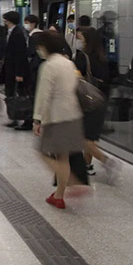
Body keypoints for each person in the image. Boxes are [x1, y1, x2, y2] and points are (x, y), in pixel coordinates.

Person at [32, 31, 86, 209]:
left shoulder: (49, 66)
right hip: (73, 114)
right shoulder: (68, 62)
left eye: (40, 46)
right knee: (63, 157)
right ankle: (59, 195)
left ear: (45, 47)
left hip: (56, 117)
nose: (39, 50)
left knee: (42, 152)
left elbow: (43, 95)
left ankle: (72, 182)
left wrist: (37, 119)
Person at [73, 27, 120, 182]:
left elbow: (74, 77)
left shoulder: (82, 57)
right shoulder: (102, 56)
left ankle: (107, 161)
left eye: (80, 38)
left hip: (86, 100)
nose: (78, 41)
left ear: (86, 39)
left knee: (83, 138)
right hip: (100, 99)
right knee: (89, 136)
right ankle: (87, 165)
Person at [2, 11, 32, 129]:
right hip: (11, 69)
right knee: (12, 95)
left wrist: (19, 73)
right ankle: (14, 117)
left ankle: (26, 119)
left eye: (5, 20)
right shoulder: (12, 32)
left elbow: (20, 54)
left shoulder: (18, 33)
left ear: (9, 21)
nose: (4, 22)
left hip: (16, 71)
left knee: (22, 96)